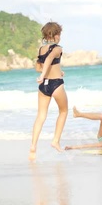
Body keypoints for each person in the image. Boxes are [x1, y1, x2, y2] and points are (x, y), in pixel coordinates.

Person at [29, 21, 68, 161]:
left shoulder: (41, 50)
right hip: (56, 85)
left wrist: (55, 71)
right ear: (56, 35)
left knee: (40, 116)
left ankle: (33, 146)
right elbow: (49, 60)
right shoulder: (57, 48)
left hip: (43, 86)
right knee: (63, 111)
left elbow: (39, 66)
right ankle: (55, 140)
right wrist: (43, 74)